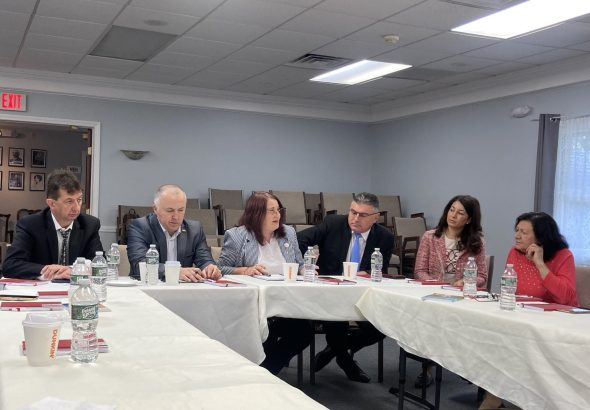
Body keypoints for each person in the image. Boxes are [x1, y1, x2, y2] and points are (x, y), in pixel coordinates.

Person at [480, 212, 577, 410]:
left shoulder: (563, 255)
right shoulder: (515, 252)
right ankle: (493, 397)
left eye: (524, 232)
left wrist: (540, 264)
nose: (517, 236)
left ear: (541, 237)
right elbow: (510, 290)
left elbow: (566, 298)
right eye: (516, 230)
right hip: (523, 317)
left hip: (554, 323)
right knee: (493, 337)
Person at [297, 192, 395, 383]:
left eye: (363, 215)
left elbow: (379, 270)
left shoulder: (385, 237)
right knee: (336, 324)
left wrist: (366, 273)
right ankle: (346, 361)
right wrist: (304, 265)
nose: (355, 218)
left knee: (381, 328)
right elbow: (299, 239)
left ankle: (332, 351)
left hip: (362, 296)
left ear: (375, 218)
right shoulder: (333, 223)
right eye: (353, 212)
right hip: (330, 294)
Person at [218, 192, 312, 375]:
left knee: (303, 333)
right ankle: (262, 372)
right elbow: (220, 269)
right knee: (264, 333)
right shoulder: (237, 236)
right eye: (272, 211)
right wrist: (245, 270)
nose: (278, 215)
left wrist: (306, 270)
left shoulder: (288, 233)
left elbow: (300, 263)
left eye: (279, 210)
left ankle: (264, 371)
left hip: (287, 304)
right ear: (257, 213)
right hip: (253, 306)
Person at [411, 195, 487, 389]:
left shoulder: (476, 242)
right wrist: (437, 284)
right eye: (452, 210)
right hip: (434, 293)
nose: (453, 215)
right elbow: (420, 271)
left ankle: (465, 365)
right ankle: (427, 369)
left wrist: (465, 281)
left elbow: (482, 276)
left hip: (461, 295)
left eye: (460, 212)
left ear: (469, 219)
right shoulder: (430, 237)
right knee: (434, 321)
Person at [2, 170, 103, 280]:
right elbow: (10, 265)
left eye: (79, 200)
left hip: (76, 287)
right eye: (69, 201)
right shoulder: (30, 225)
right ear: (52, 204)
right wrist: (47, 271)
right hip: (42, 288)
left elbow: (100, 264)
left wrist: (72, 269)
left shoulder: (90, 225)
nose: (76, 208)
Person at [127, 184, 221, 282]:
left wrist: (210, 269)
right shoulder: (140, 226)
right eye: (170, 210)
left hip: (183, 288)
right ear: (155, 209)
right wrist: (174, 272)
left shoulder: (194, 230)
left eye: (181, 210)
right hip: (148, 286)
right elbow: (139, 264)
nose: (176, 216)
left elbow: (205, 260)